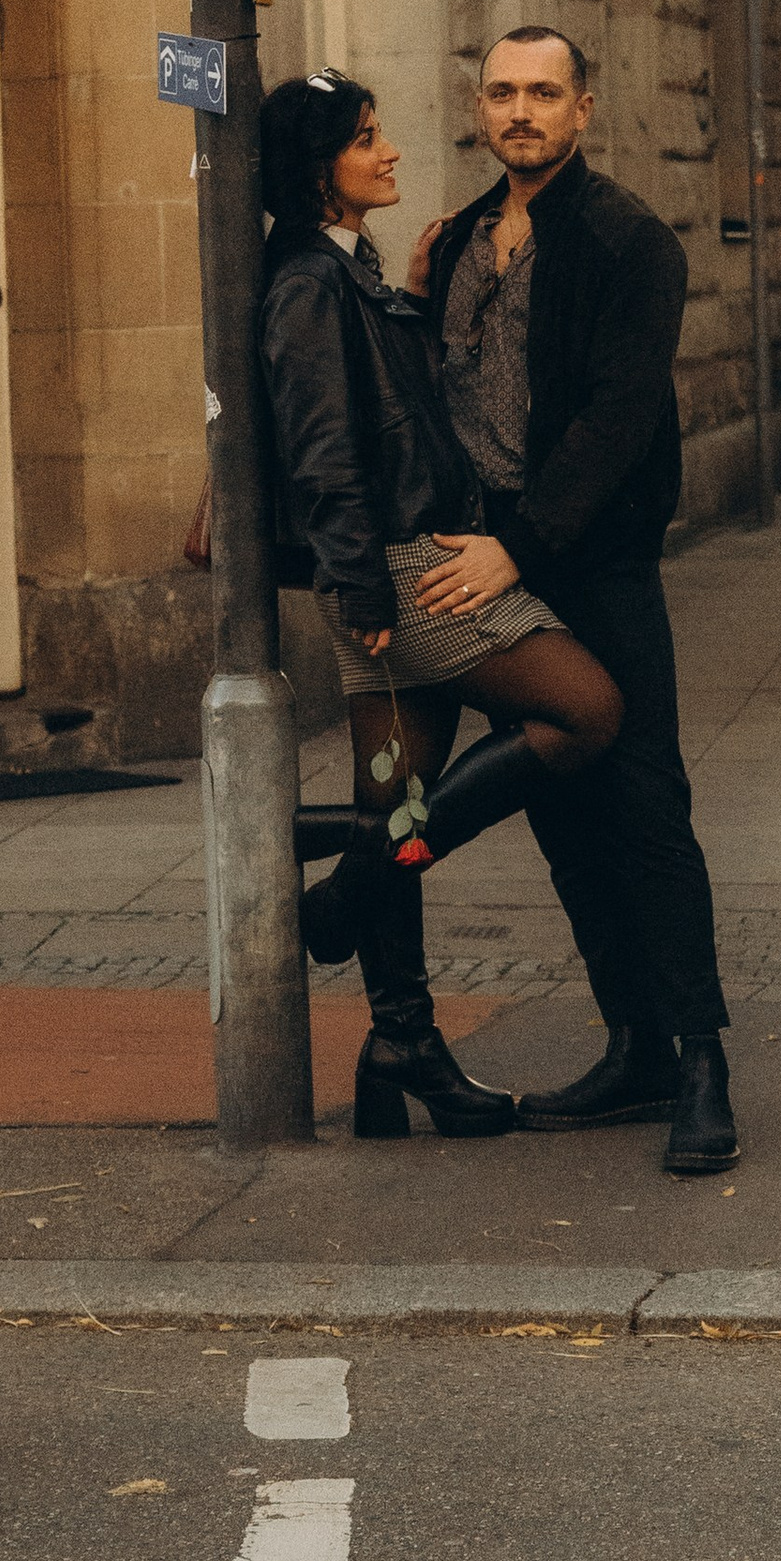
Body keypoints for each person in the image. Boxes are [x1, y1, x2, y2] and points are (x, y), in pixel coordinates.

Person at [256, 70, 622, 1141]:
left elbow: (379, 400)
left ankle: (401, 1044)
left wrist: (407, 301)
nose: (391, 154)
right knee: (585, 711)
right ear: (319, 164)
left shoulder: (343, 271)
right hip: (405, 573)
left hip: (385, 567)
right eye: (367, 140)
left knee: (397, 792)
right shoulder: (307, 285)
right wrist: (367, 583)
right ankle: (345, 886)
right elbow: (324, 448)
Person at [408, 25, 738, 1174]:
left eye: (543, 93)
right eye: (501, 91)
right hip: (484, 561)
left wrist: (521, 545)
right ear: (479, 103)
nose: (520, 111)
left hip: (588, 563)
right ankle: (634, 1044)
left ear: (583, 109)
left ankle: (702, 1061)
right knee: (564, 818)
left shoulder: (627, 239)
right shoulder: (452, 239)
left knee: (645, 806)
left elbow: (621, 413)